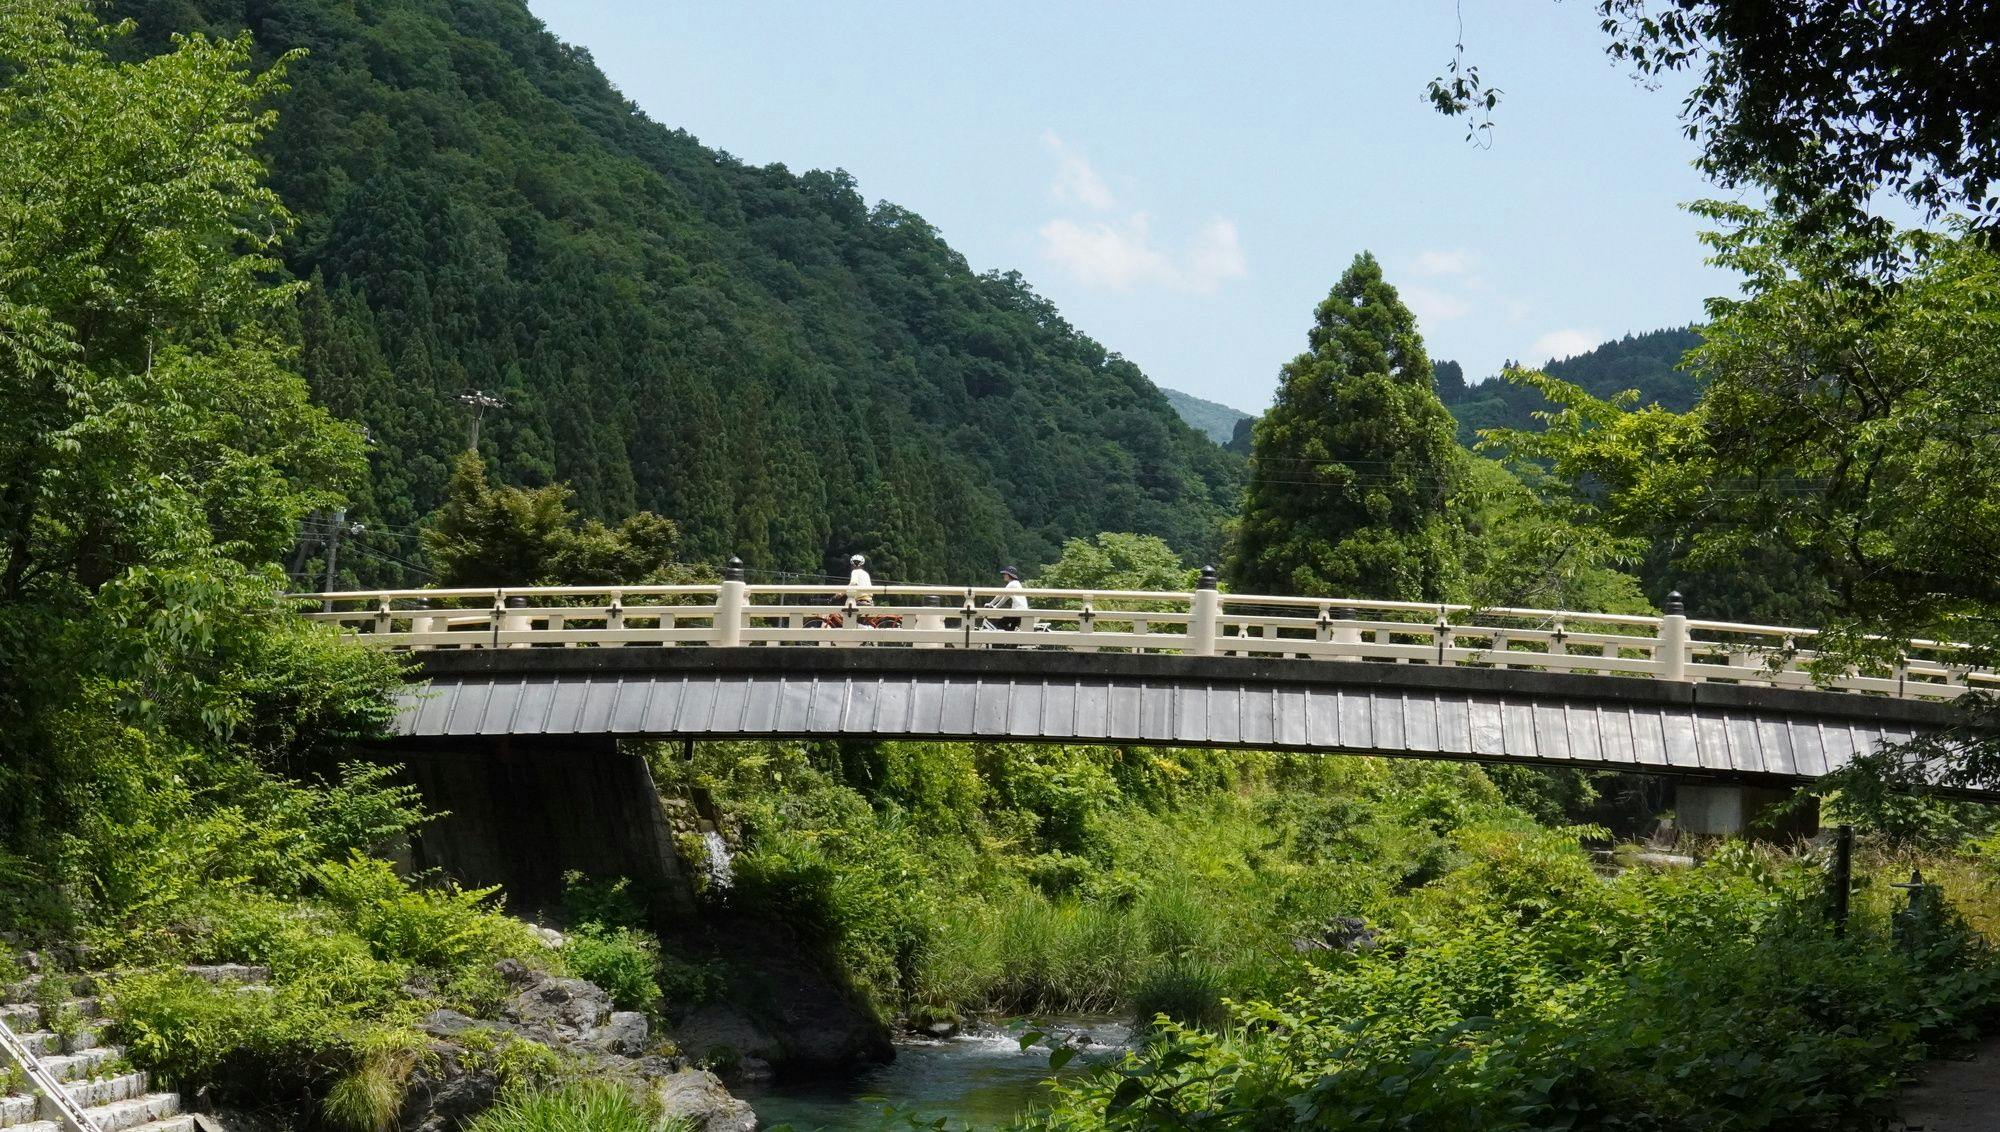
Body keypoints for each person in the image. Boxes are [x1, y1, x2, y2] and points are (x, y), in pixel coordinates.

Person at [986, 565, 1027, 630]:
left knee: (1000, 624)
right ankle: (1010, 638)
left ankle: (1007, 638)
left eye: (1005, 574)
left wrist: (991, 603)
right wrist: (996, 606)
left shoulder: (1012, 584)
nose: (1004, 575)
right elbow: (1005, 597)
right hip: (1020, 611)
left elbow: (1001, 595)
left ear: (1010, 575)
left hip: (1017, 611)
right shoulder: (1016, 583)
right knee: (1011, 628)